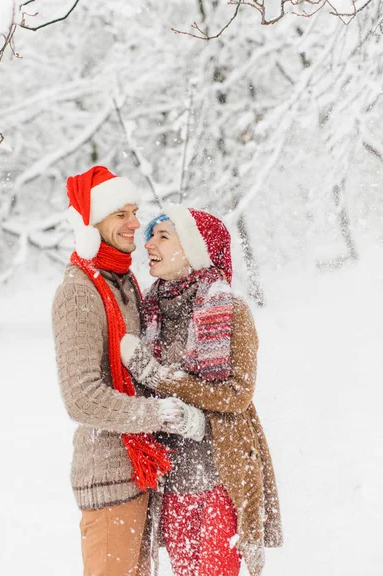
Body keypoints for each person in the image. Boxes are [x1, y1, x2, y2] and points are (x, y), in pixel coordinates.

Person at [52, 167, 205, 576]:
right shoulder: (79, 291)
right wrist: (161, 414)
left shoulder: (123, 282)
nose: (135, 223)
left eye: (134, 211)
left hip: (141, 472)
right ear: (93, 222)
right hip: (107, 477)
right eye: (120, 214)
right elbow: (81, 397)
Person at [120, 206, 283, 576]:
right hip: (172, 477)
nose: (149, 244)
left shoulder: (230, 308)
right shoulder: (149, 310)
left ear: (194, 248)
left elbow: (237, 395)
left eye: (163, 235)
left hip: (221, 474)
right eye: (150, 235)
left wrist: (157, 376)